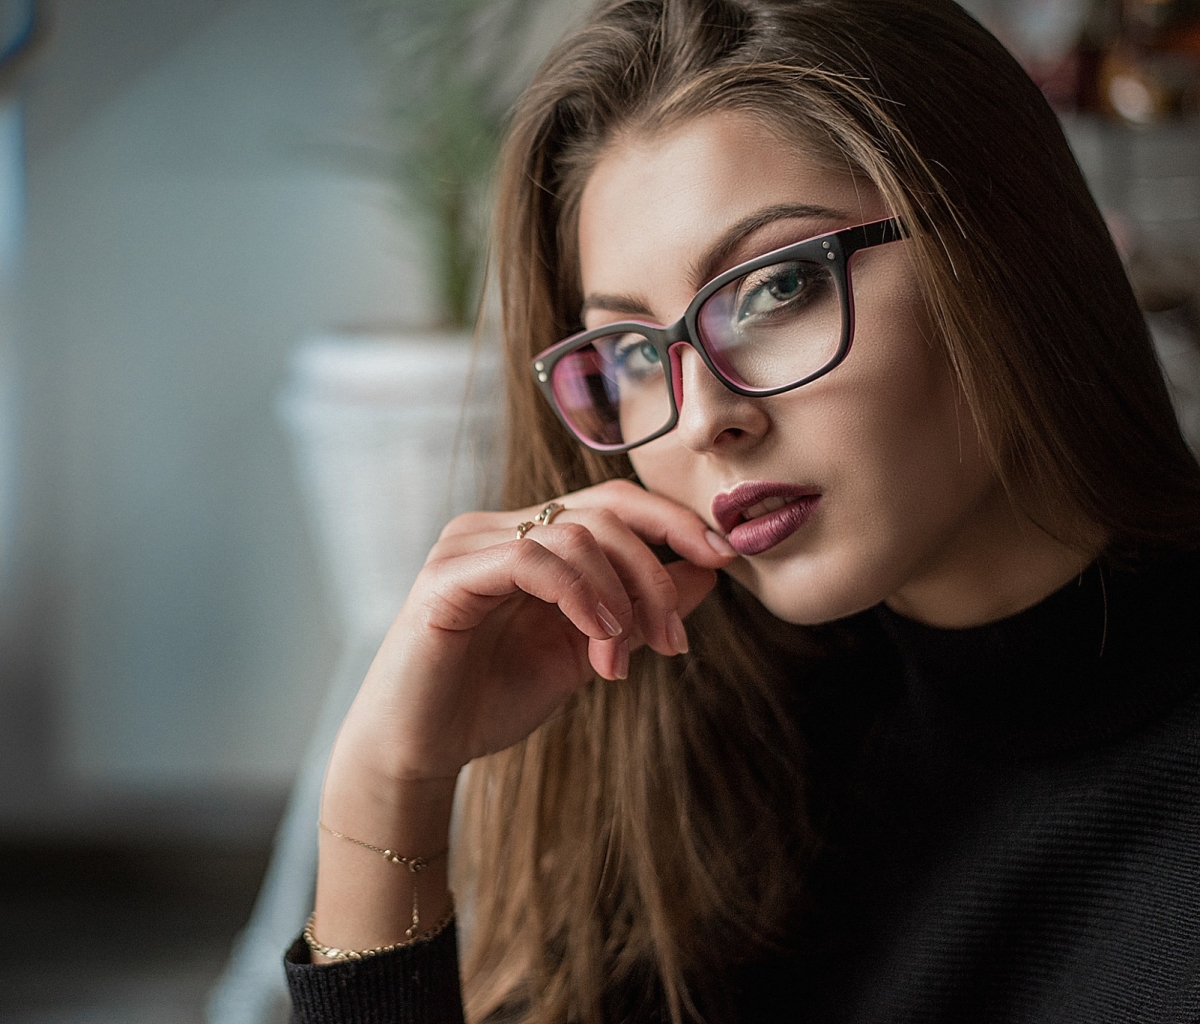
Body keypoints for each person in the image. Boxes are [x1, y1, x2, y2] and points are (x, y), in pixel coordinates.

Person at [285, 0, 1200, 1021]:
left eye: (777, 288)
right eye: (634, 352)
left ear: (1004, 249)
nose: (703, 419)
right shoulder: (704, 775)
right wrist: (385, 785)